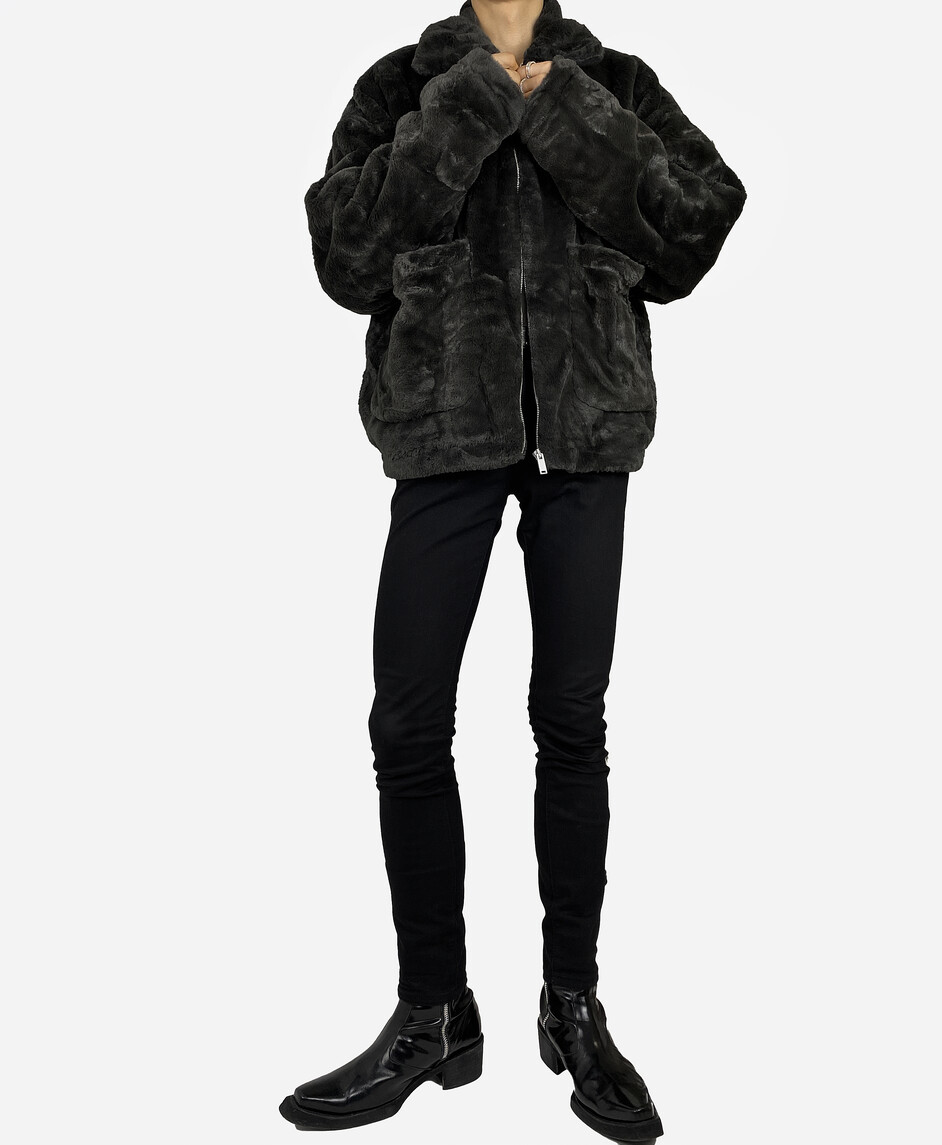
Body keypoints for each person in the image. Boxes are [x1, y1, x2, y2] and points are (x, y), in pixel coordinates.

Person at [279, 0, 746, 1138]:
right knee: (406, 723)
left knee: (570, 721)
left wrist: (564, 108)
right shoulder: (404, 82)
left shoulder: (612, 79)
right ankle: (434, 1012)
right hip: (445, 426)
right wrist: (478, 100)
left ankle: (572, 1004)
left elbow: (694, 230)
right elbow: (346, 255)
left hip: (585, 435)